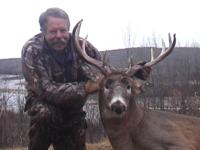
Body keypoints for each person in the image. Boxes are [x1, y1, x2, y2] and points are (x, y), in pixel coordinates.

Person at [21, 7, 101, 150]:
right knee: (45, 114)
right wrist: (85, 87)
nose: (59, 36)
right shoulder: (32, 50)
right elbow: (45, 90)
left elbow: (103, 76)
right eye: (53, 31)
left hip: (73, 109)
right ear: (43, 32)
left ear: (69, 29)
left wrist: (137, 74)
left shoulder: (83, 48)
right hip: (43, 106)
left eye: (63, 31)